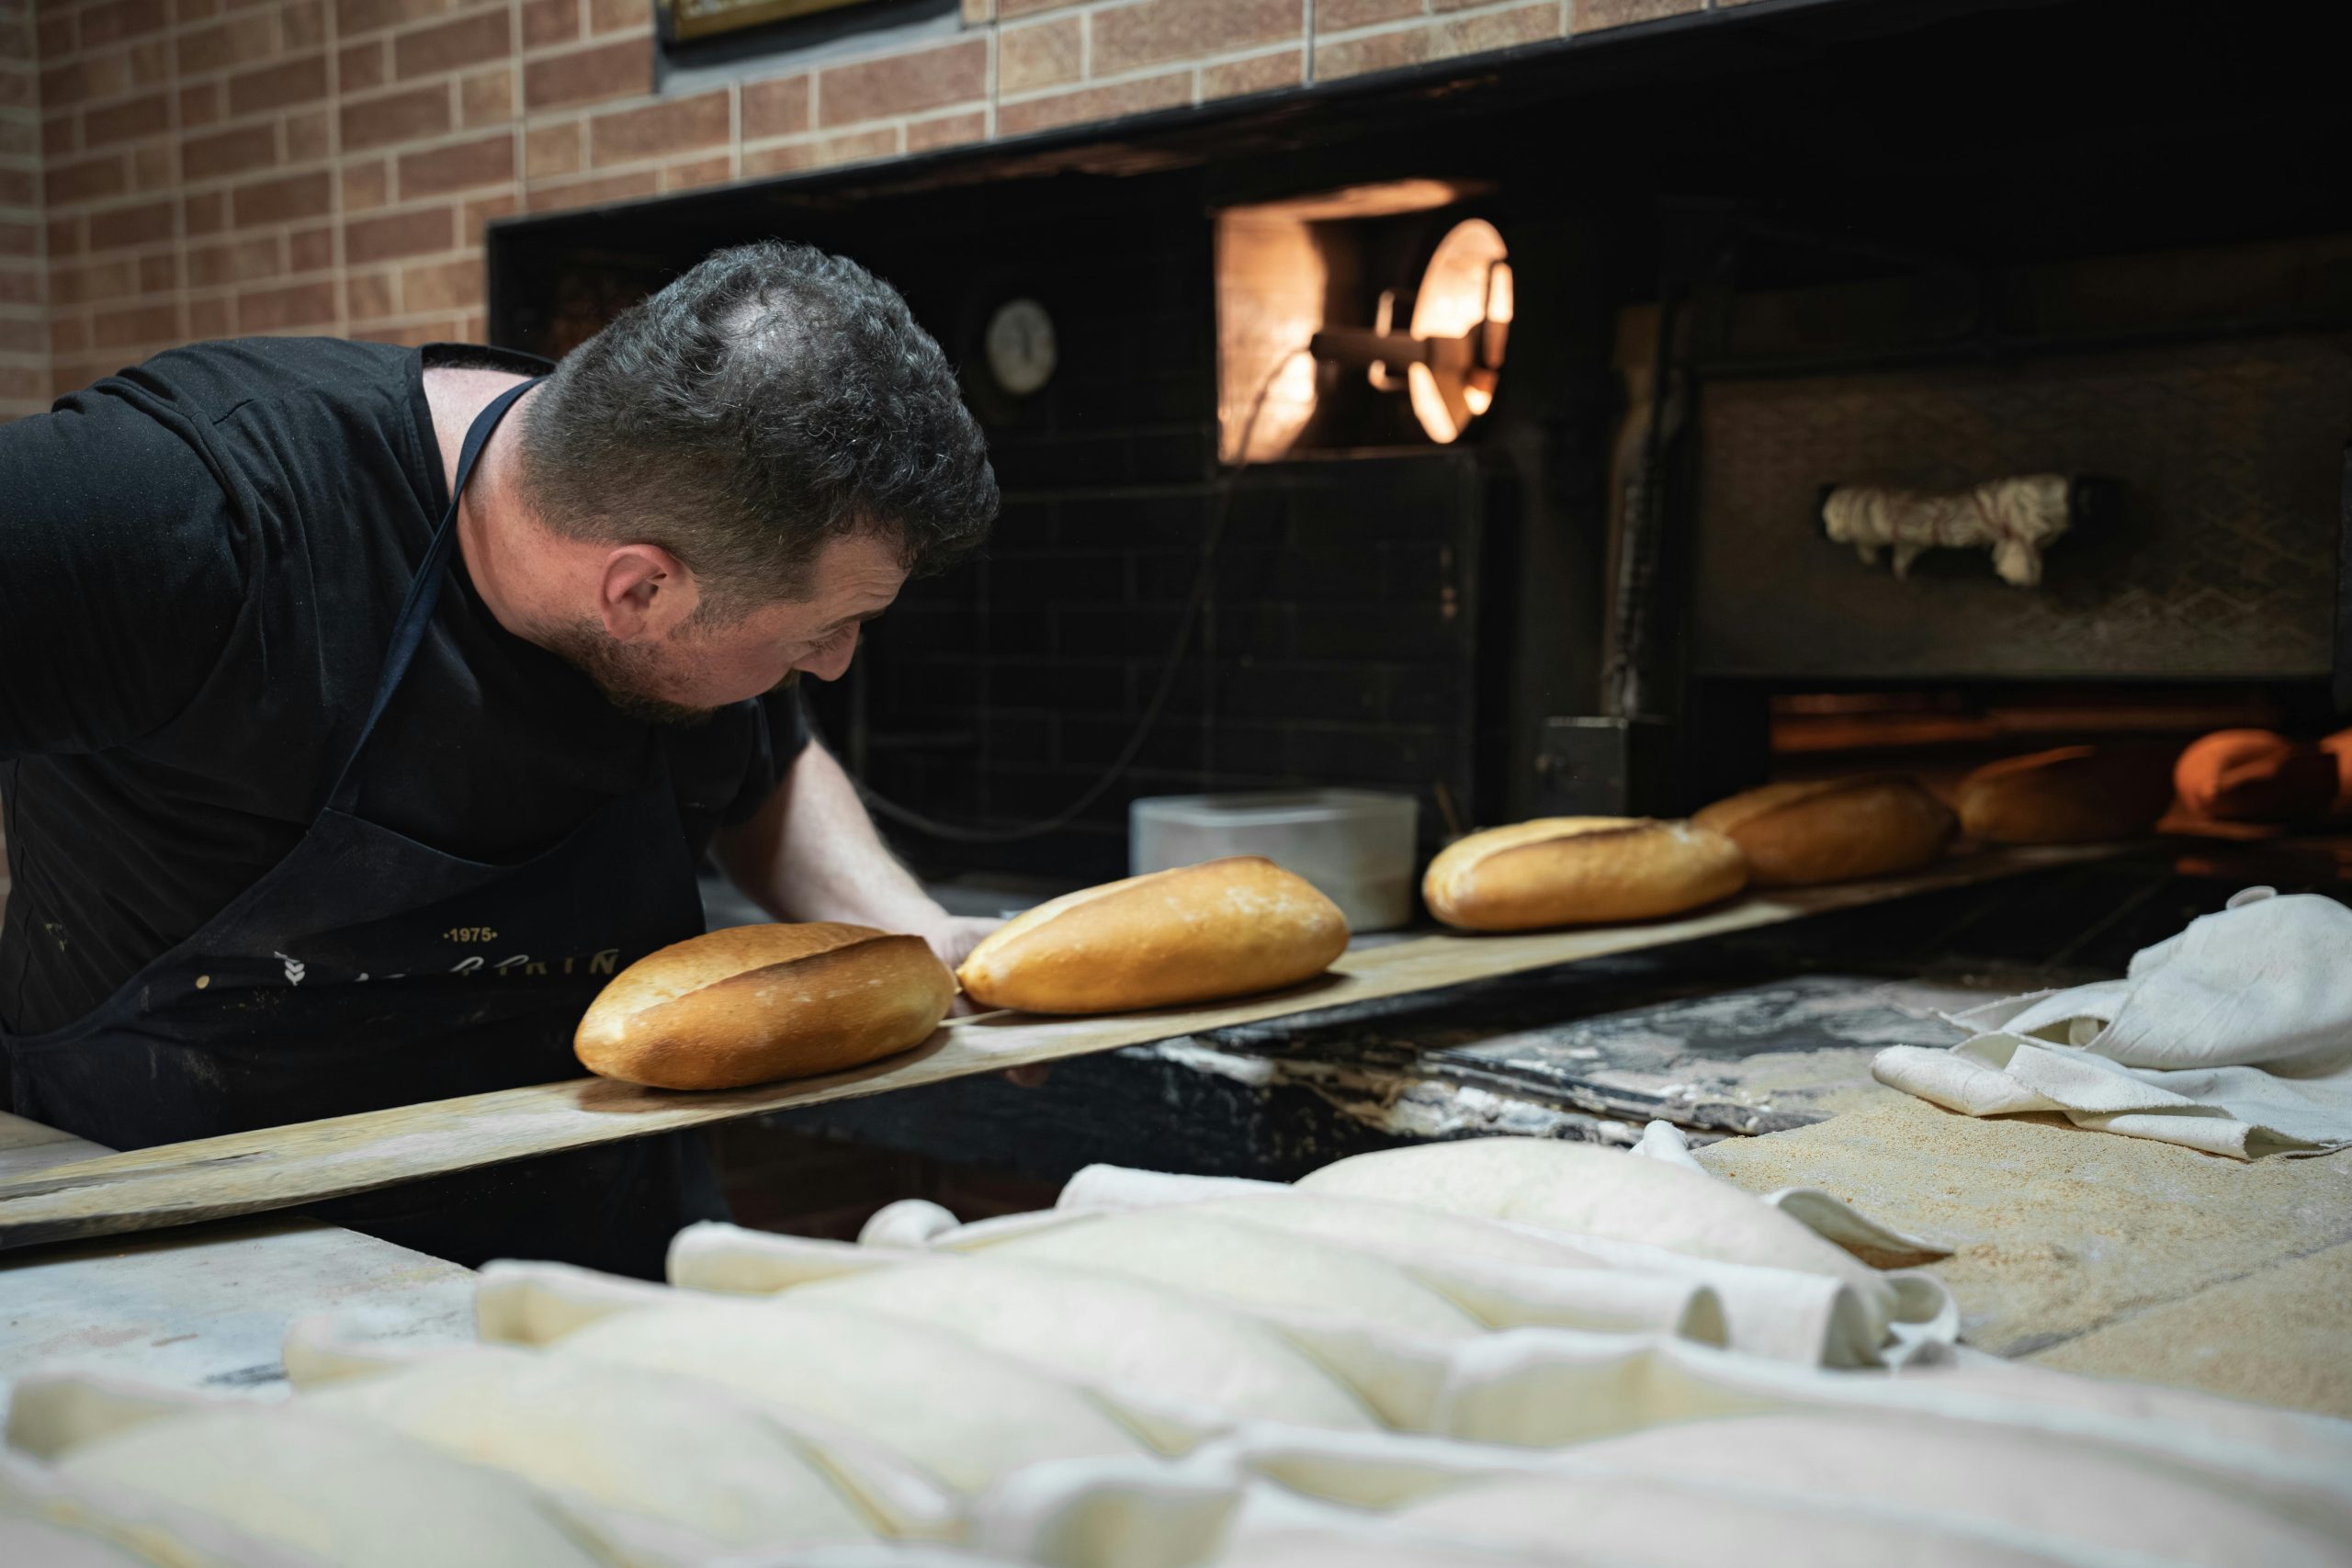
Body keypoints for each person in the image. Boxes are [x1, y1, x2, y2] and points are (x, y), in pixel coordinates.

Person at [0, 241, 1000, 1275]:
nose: (833, 667)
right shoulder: (179, 504)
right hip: (178, 1254)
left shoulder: (671, 488)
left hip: (588, 1247)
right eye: (822, 631)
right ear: (638, 592)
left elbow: (771, 759)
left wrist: (909, 934)